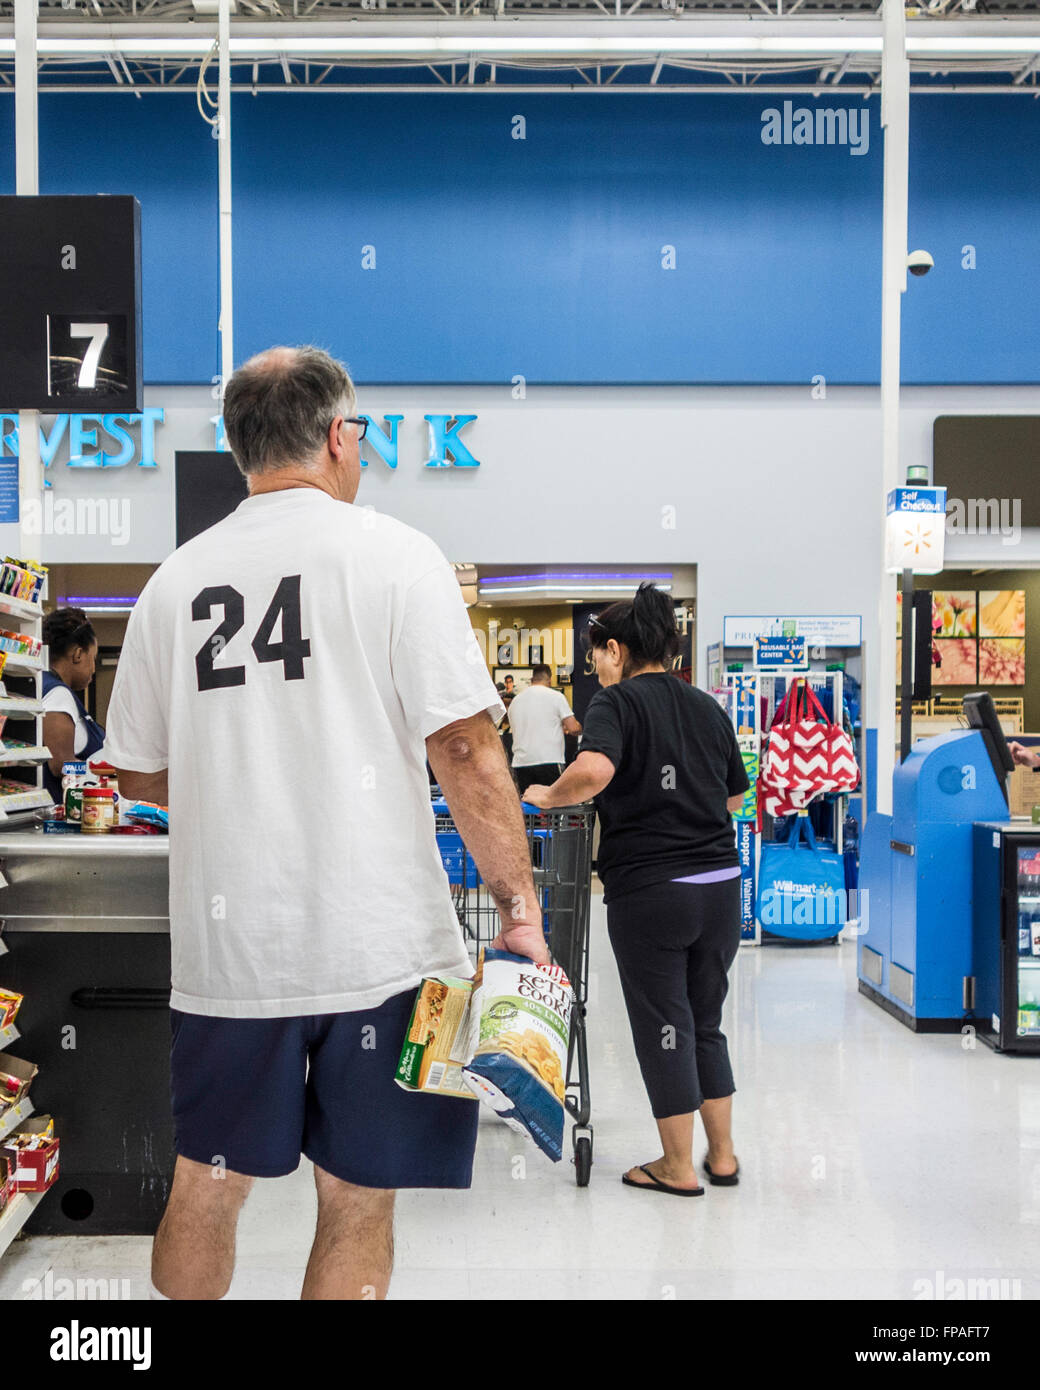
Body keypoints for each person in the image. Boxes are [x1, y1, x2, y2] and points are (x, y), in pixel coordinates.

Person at [102, 346, 546, 1302]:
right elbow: (465, 749)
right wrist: (518, 902)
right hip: (380, 950)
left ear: (237, 450)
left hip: (230, 958)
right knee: (358, 1197)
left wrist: (236, 793)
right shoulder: (395, 556)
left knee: (206, 1186)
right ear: (341, 436)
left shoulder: (173, 584)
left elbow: (136, 766)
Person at [523, 584, 749, 1198]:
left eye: (598, 653)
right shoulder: (706, 706)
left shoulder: (615, 703)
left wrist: (546, 794)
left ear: (618, 650)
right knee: (705, 1022)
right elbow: (734, 795)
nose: (595, 664)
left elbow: (595, 771)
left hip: (652, 891)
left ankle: (677, 1167)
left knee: (663, 1025)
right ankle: (722, 1157)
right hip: (721, 886)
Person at [41, 606, 105, 803]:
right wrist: (100, 771)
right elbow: (60, 764)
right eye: (92, 658)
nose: (93, 669)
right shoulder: (58, 694)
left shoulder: (42, 684)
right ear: (78, 654)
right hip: (60, 815)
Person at [506, 663, 581, 796]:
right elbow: (573, 728)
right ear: (549, 680)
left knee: (528, 808)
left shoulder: (515, 701)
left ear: (532, 680)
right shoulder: (556, 696)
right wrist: (572, 727)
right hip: (548, 760)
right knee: (554, 808)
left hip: (520, 763)